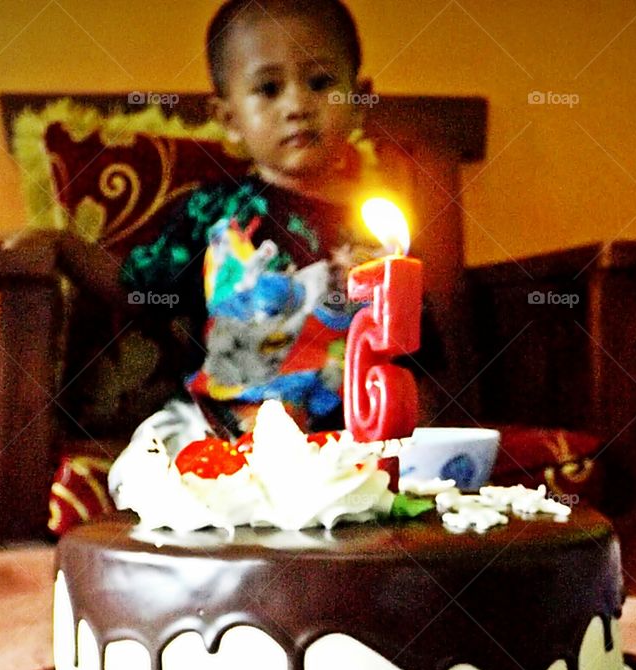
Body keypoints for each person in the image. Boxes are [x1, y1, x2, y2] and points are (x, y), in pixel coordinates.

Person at [46, 0, 392, 452]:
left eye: (320, 82)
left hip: (347, 438)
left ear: (359, 100)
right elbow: (138, 288)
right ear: (229, 119)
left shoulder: (377, 227)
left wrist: (415, 439)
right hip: (223, 427)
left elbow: (410, 348)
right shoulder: (215, 213)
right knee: (153, 448)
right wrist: (63, 246)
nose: (297, 105)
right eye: (269, 88)